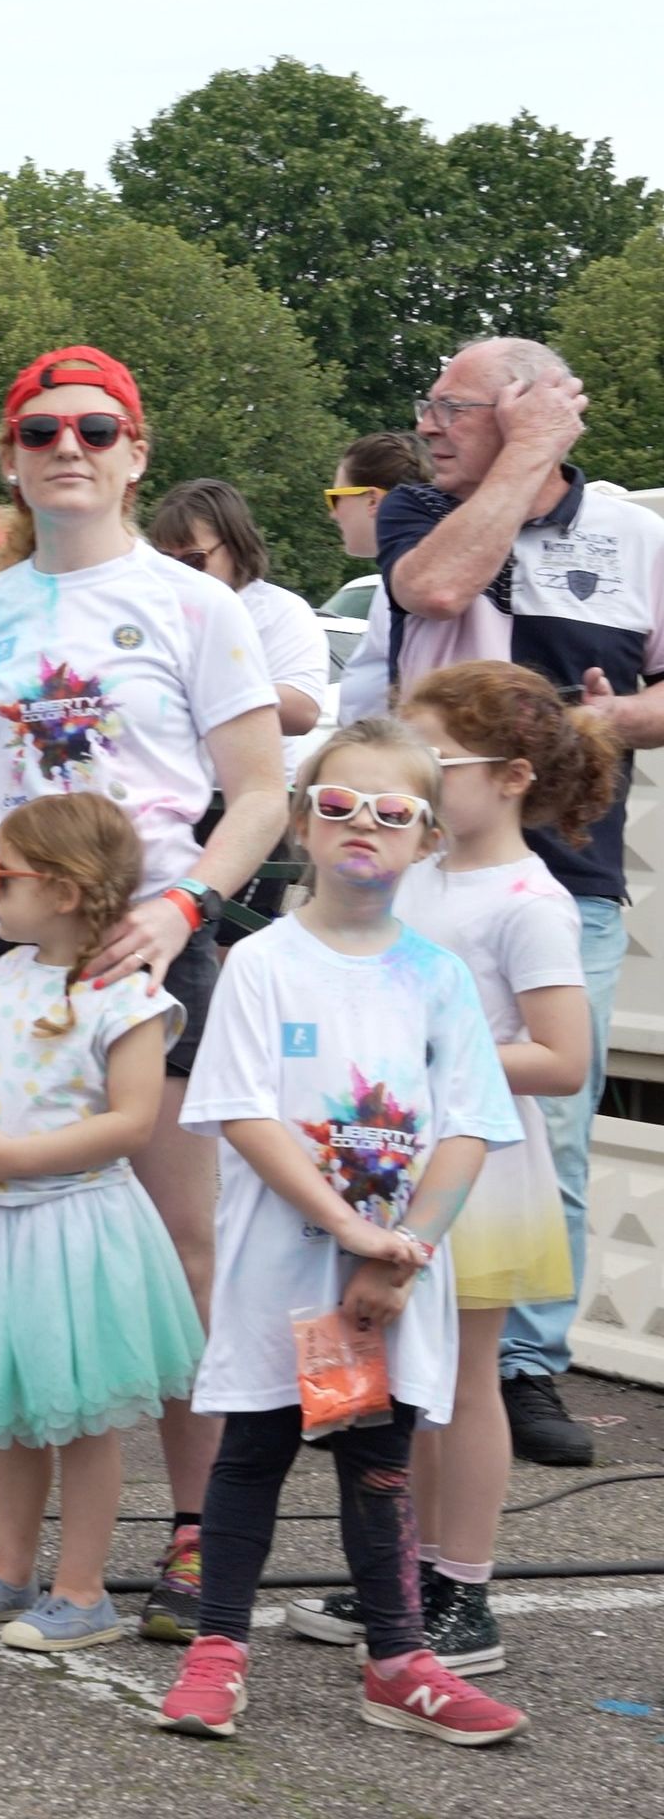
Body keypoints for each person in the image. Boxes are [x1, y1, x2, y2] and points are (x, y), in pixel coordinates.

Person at [0, 345, 287, 1628]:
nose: (70, 447)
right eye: (43, 430)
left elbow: (262, 791)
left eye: (97, 429)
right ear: (11, 457)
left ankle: (199, 1534)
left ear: (136, 454)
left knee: (175, 1247)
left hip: (146, 950)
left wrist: (185, 909)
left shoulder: (194, 606)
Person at [158, 719, 522, 1746]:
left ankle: (399, 1662)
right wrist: (347, 1231)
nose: (364, 824)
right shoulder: (261, 964)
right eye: (338, 804)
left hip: (394, 1279)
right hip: (282, 1272)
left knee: (380, 1461)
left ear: (429, 838)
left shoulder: (439, 978)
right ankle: (216, 1651)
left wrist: (405, 1251)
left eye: (393, 811)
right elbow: (244, 1113)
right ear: (302, 823)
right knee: (253, 1452)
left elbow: (467, 1127)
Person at [277, 664, 609, 1672]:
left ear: (511, 776)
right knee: (399, 1384)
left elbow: (562, 1058)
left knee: (463, 1385)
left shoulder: (530, 901)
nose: (408, 782)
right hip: (382, 1164)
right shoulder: (411, 875)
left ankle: (464, 1589)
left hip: (480, 1175)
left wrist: (422, 1053)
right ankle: (400, 1577)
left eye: (437, 763)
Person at [371, 338, 660, 1469]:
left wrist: (617, 721)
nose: (428, 425)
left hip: (566, 877)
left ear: (528, 406)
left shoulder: (634, 536)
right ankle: (382, 1337)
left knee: (553, 1122)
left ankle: (523, 1366)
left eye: (453, 406)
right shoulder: (417, 512)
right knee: (383, 1105)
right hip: (414, 870)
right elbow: (439, 588)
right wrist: (525, 454)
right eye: (429, 403)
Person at [0, 793, 204, 1653]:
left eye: (4, 876)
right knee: (10, 1410)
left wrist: (13, 1156)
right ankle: (11, 1571)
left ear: (64, 891)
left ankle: (82, 1591)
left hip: (71, 1229)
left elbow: (132, 1124)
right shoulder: (4, 975)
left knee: (81, 1421)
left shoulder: (129, 998)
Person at [149, 481, 332, 738]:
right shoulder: (149, 609)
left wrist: (194, 686)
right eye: (166, 561)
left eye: (193, 559)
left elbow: (302, 711)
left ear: (235, 546)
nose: (179, 573)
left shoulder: (280, 611)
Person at [326, 430, 429, 722]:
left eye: (335, 498)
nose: (332, 514)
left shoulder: (412, 583)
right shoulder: (396, 579)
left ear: (372, 500)